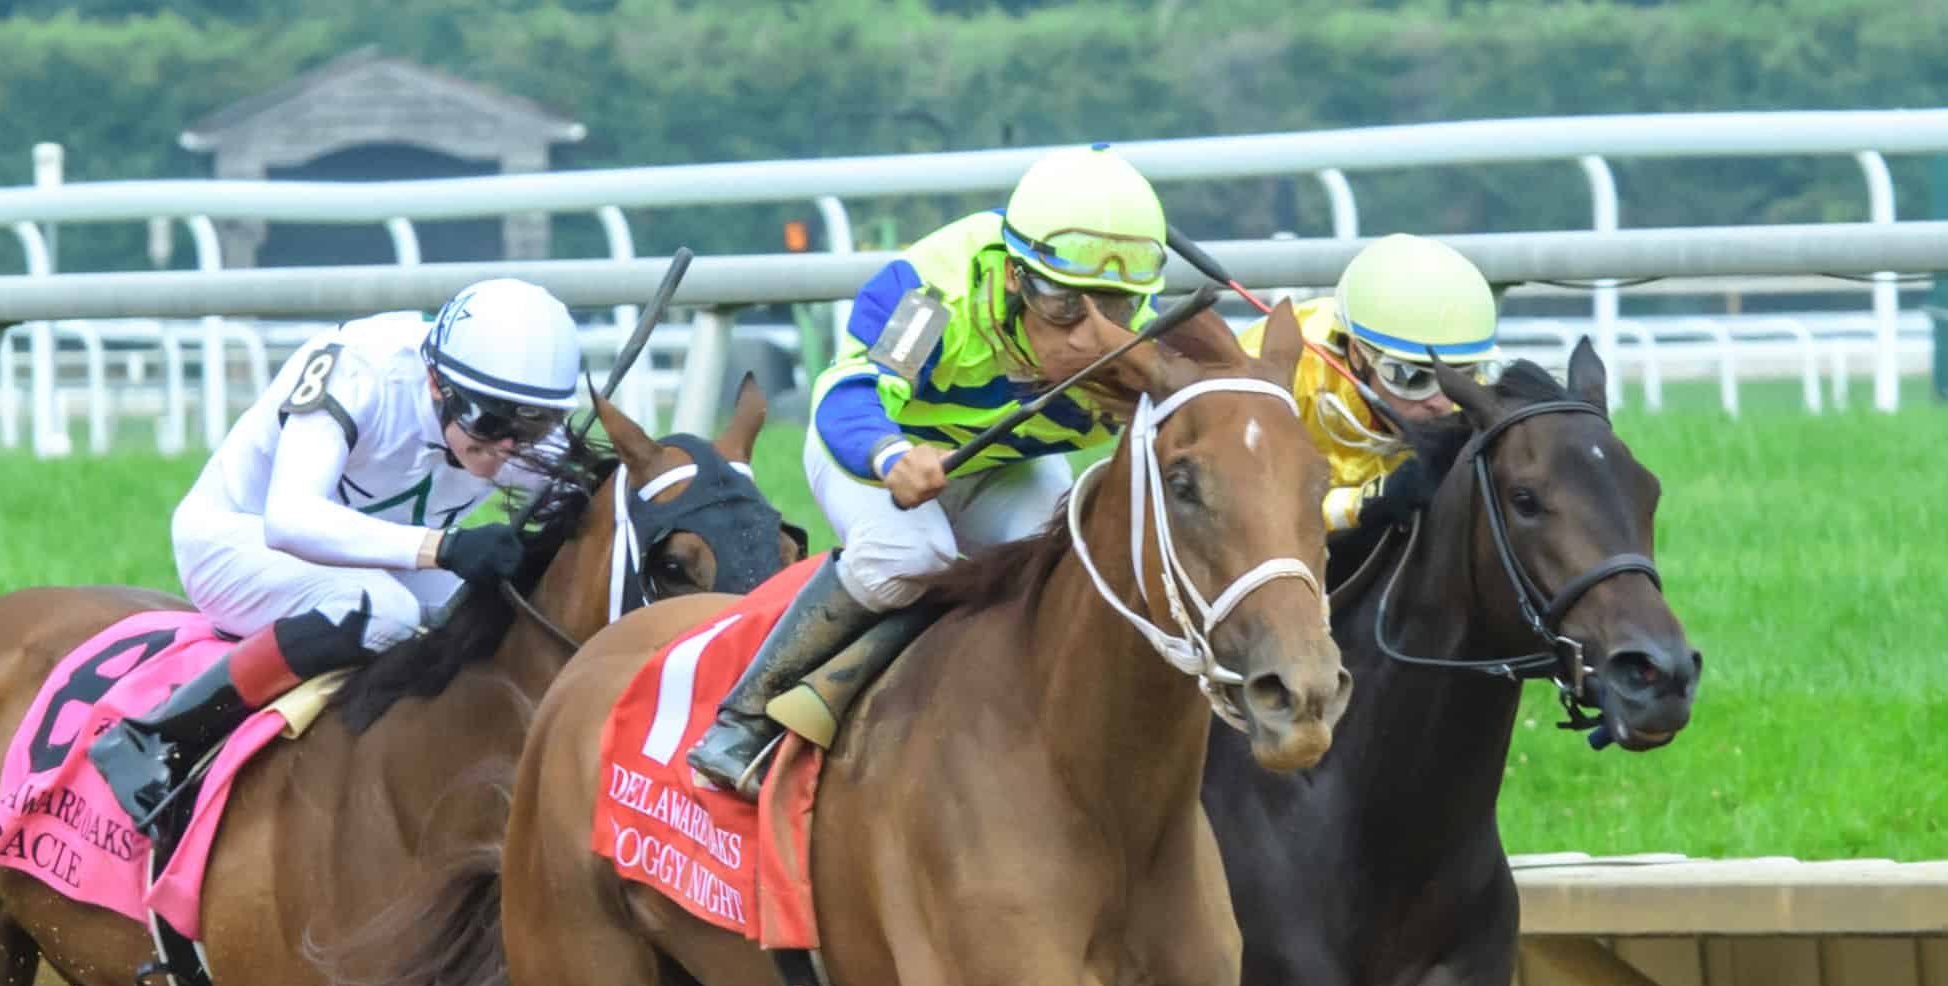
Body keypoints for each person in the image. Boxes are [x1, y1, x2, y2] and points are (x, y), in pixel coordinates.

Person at [686, 143, 1169, 796]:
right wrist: (890, 457)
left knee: (1069, 566)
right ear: (1015, 276)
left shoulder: (1141, 334)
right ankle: (744, 718)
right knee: (908, 553)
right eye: (1062, 304)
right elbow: (847, 397)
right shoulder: (935, 296)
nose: (1088, 335)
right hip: (875, 450)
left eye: (1112, 307)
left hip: (999, 466)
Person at [89, 276, 583, 832]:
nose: (510, 447)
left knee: (507, 613)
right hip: (236, 540)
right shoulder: (359, 369)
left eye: (535, 424)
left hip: (373, 559)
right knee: (385, 612)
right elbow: (291, 518)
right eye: (492, 421)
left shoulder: (504, 425)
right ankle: (159, 737)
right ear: (437, 382)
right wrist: (444, 546)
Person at [1238, 233, 1500, 541]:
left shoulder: (1467, 398)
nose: (1442, 403)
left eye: (1461, 377)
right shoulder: (1274, 377)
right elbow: (1238, 509)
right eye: (1412, 377)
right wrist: (1366, 501)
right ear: (1356, 354)